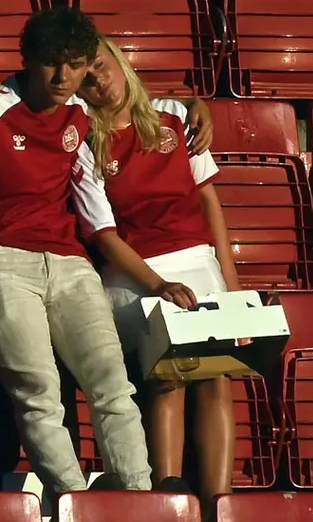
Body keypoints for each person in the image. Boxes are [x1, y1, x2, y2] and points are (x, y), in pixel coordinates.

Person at [0, 8, 168, 497]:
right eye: (51, 63)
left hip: (69, 261)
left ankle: (137, 498)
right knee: (40, 392)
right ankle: (74, 502)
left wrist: (197, 106)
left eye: (75, 65)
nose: (63, 77)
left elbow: (140, 108)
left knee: (113, 384)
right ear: (29, 60)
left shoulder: (80, 112)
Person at [70, 37, 241, 509]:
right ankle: (167, 500)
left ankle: (219, 503)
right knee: (173, 370)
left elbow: (209, 202)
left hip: (198, 262)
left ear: (120, 61)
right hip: (136, 275)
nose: (100, 80)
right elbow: (104, 235)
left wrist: (232, 286)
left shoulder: (177, 117)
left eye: (102, 66)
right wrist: (158, 284)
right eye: (87, 78)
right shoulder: (85, 143)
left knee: (216, 375)